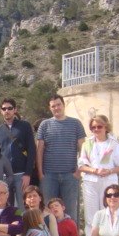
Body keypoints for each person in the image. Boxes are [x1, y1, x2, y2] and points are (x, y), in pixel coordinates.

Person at [36, 94, 86, 222]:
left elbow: (83, 149)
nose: (56, 108)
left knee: (70, 211)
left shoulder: (76, 124)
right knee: (48, 212)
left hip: (70, 175)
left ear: (64, 105)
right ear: (50, 108)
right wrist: (40, 173)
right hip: (49, 176)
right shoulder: (44, 125)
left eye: (58, 105)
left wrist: (78, 171)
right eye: (53, 106)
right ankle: (49, 235)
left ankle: (71, 235)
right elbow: (40, 150)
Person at [77, 114, 119, 236]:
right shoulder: (87, 144)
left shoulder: (114, 144)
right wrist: (94, 171)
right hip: (90, 183)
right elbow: (81, 165)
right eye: (93, 127)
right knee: (91, 218)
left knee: (109, 213)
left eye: (99, 126)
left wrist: (109, 171)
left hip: (109, 183)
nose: (96, 129)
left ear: (106, 127)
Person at [0, 98, 36, 210]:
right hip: (5, 176)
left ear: (15, 110)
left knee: (23, 207)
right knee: (7, 208)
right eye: (4, 109)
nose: (7, 111)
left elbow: (32, 150)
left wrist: (28, 174)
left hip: (21, 175)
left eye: (10, 108)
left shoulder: (25, 126)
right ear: (1, 111)